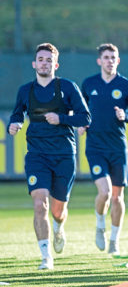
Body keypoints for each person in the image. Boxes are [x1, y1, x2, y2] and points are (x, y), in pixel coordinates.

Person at [8, 43, 90, 269]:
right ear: (34, 64)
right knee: (39, 204)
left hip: (64, 154)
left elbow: (85, 118)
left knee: (58, 210)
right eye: (40, 59)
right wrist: (13, 124)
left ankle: (59, 227)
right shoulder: (25, 90)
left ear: (56, 64)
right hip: (37, 155)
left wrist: (61, 119)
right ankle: (46, 256)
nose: (44, 63)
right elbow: (17, 113)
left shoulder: (68, 87)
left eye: (48, 60)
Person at [80, 43, 128, 255]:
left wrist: (125, 116)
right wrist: (80, 123)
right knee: (105, 192)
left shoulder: (127, 85)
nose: (109, 60)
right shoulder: (89, 84)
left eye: (113, 57)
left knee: (117, 197)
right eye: (106, 57)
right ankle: (100, 224)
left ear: (118, 60)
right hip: (95, 147)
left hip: (118, 147)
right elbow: (77, 109)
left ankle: (114, 241)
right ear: (99, 60)